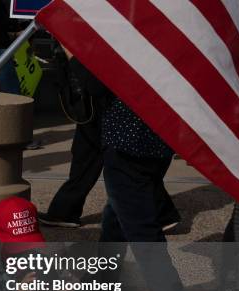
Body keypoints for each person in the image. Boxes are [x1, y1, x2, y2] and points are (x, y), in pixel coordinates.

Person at [98, 86, 216, 291]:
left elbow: (92, 86)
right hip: (155, 143)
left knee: (150, 252)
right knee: (116, 220)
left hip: (128, 146)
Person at [38, 48, 181, 231]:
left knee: (122, 181)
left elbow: (94, 85)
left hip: (117, 124)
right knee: (108, 174)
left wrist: (70, 49)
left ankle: (162, 214)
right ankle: (65, 210)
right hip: (121, 126)